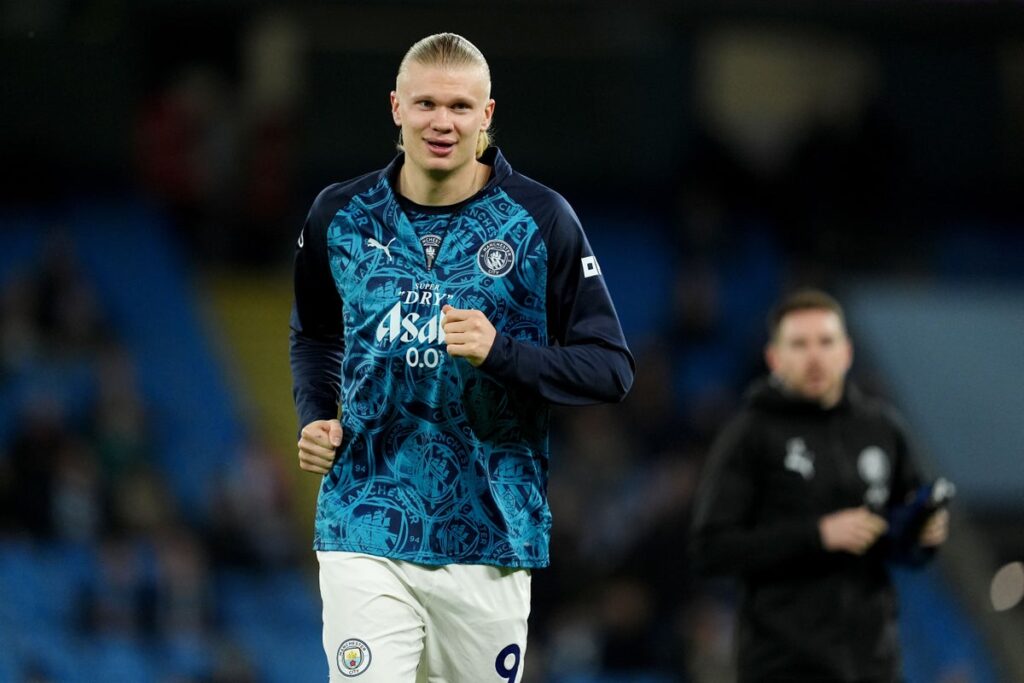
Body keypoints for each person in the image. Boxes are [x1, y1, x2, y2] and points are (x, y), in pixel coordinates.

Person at [289, 33, 634, 682]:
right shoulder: (340, 214)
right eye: (425, 103)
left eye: (458, 106)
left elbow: (611, 368)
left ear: (487, 115)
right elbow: (313, 334)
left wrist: (501, 352)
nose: (441, 121)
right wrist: (316, 412)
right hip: (366, 520)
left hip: (490, 537)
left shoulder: (540, 220)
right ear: (395, 107)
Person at [689, 288, 949, 683]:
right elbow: (711, 550)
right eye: (799, 344)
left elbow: (899, 541)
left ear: (845, 352)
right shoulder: (749, 435)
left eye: (825, 342)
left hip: (873, 664)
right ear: (774, 358)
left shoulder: (882, 428)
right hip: (783, 665)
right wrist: (817, 535)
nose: (814, 356)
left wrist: (923, 536)